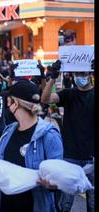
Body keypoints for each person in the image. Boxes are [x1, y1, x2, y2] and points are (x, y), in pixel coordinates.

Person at [0, 79, 63, 212]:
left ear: (16, 103)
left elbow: (60, 180)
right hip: (5, 205)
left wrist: (51, 184)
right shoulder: (8, 131)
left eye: (9, 101)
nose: (7, 105)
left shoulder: (49, 135)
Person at [41, 60, 94, 212]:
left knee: (92, 203)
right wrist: (52, 77)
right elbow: (45, 100)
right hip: (70, 156)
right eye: (77, 73)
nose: (80, 76)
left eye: (83, 73)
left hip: (92, 157)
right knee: (64, 204)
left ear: (90, 74)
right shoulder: (69, 94)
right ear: (72, 75)